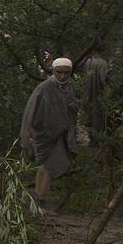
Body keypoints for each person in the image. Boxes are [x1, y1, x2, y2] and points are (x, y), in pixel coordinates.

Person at [20, 57, 80, 202]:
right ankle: (39, 197)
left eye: (66, 73)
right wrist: (30, 134)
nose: (62, 76)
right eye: (59, 72)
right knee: (45, 165)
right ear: (53, 71)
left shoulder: (70, 85)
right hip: (43, 133)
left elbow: (72, 106)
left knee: (51, 165)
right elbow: (31, 111)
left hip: (61, 133)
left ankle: (40, 196)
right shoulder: (45, 87)